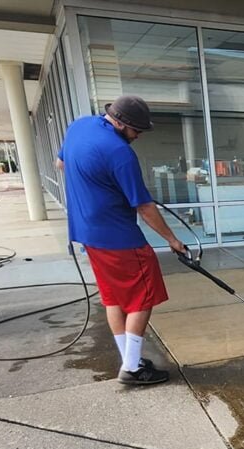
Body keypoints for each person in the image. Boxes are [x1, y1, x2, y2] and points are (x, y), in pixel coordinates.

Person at [56, 95, 187, 385]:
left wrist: (94, 187)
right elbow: (144, 206)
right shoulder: (119, 153)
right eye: (137, 130)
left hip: (88, 233)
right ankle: (132, 368)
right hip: (119, 238)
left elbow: (60, 163)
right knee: (143, 297)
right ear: (121, 123)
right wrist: (173, 240)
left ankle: (132, 359)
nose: (138, 136)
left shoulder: (79, 126)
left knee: (114, 297)